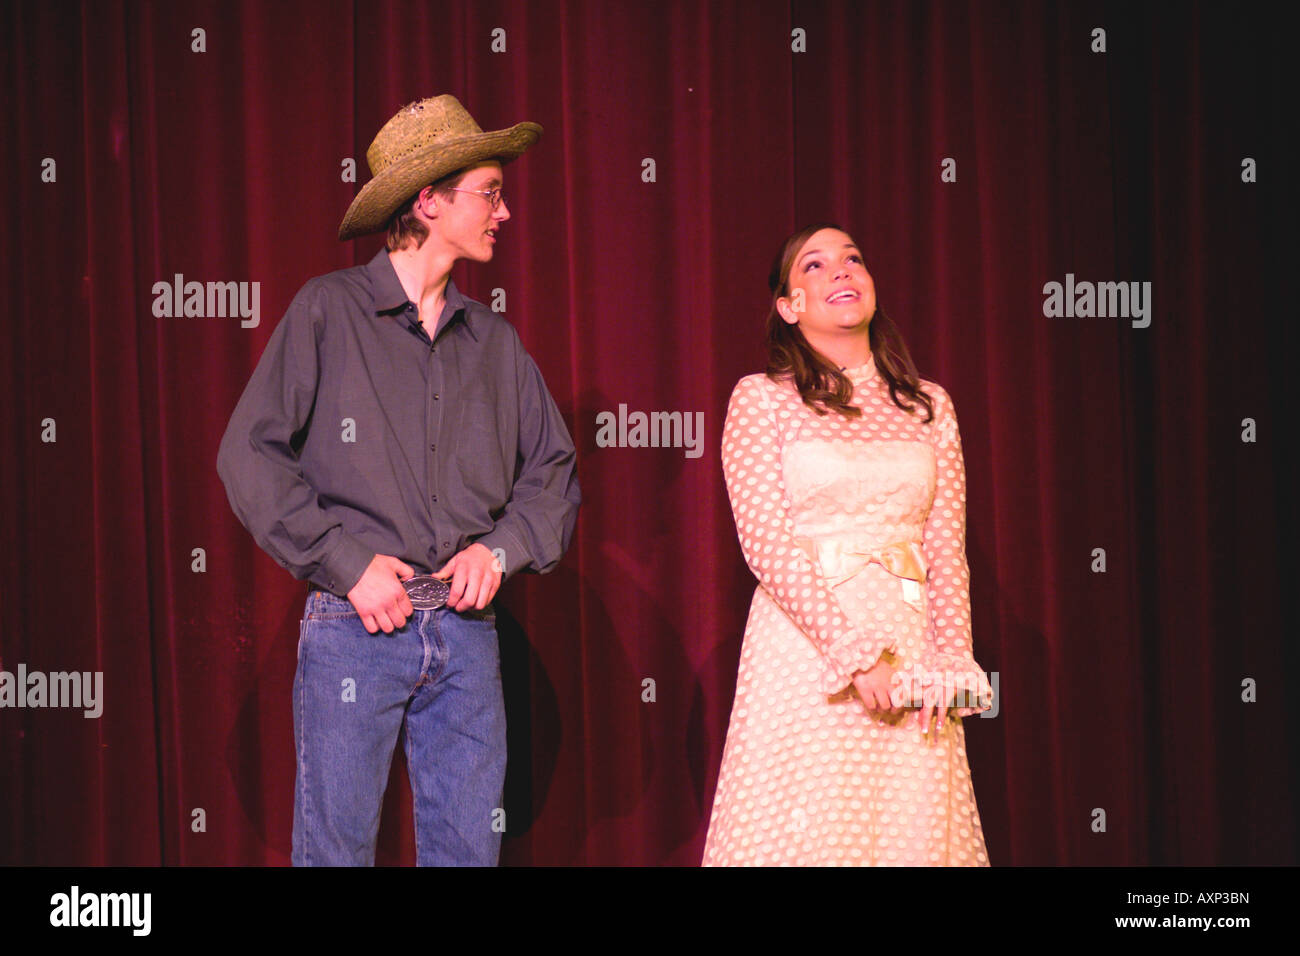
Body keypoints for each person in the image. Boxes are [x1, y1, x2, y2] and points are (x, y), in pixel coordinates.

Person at [216, 95, 580, 866]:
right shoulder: (328, 311)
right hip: (357, 630)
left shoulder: (494, 342)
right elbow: (250, 453)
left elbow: (552, 469)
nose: (504, 212)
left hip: (465, 631)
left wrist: (500, 551)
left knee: (467, 854)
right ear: (428, 200)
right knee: (337, 853)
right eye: (489, 192)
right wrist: (346, 564)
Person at [703, 222, 994, 866]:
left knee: (909, 831)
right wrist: (857, 659)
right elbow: (766, 544)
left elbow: (947, 549)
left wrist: (950, 662)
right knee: (810, 829)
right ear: (789, 306)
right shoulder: (762, 400)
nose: (841, 271)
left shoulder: (928, 406)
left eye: (853, 259)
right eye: (815, 265)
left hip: (910, 648)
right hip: (809, 652)